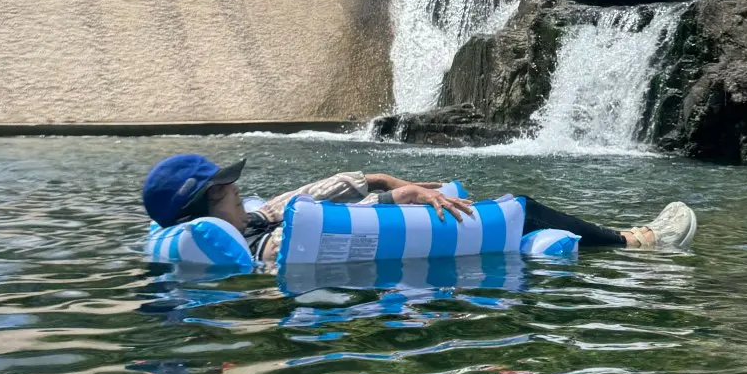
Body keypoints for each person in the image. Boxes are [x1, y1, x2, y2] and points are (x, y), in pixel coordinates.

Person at [141, 153, 696, 265]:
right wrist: (401, 197)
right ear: (208, 204)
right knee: (520, 207)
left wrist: (391, 180)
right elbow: (331, 222)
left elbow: (337, 185)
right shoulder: (268, 246)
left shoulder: (254, 219)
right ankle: (635, 242)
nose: (239, 188)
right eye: (226, 186)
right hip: (403, 295)